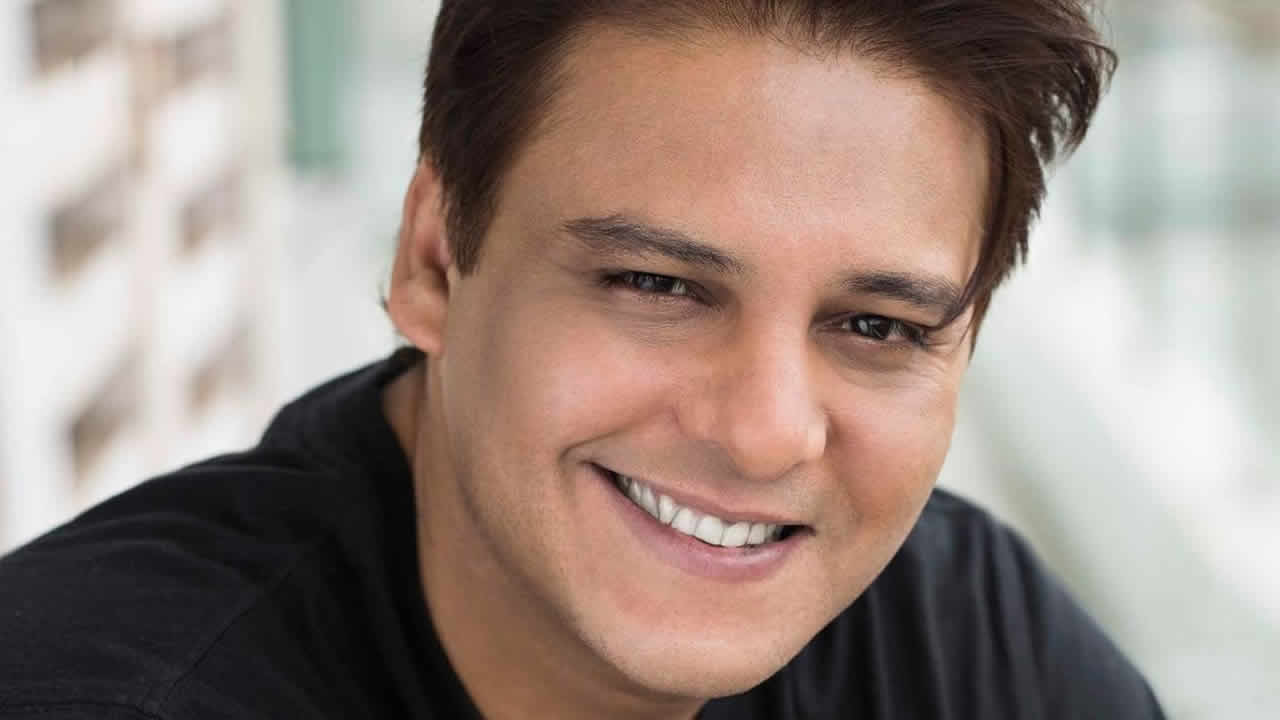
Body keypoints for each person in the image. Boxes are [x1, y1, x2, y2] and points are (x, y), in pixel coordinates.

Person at [0, 1, 1166, 718]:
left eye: (874, 327)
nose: (765, 432)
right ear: (433, 263)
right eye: (656, 285)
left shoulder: (967, 640)